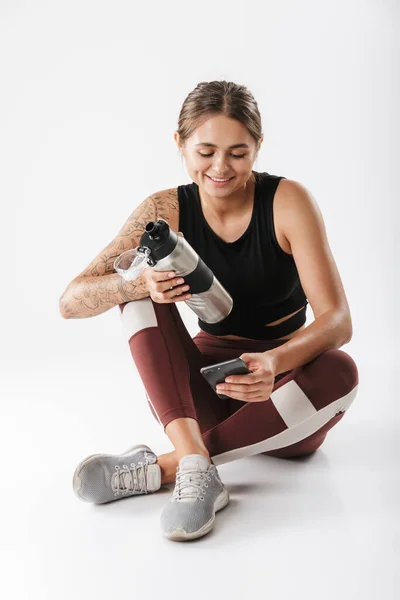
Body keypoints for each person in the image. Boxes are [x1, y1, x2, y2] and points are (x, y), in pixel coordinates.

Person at [60, 80, 359, 542]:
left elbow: (338, 321)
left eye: (238, 153)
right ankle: (196, 463)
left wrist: (275, 362)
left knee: (340, 370)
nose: (221, 168)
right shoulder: (164, 211)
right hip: (202, 392)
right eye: (205, 152)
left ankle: (172, 466)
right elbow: (71, 301)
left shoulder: (287, 202)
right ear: (179, 144)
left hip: (283, 399)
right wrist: (141, 282)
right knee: (136, 293)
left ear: (258, 147)